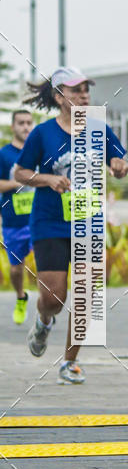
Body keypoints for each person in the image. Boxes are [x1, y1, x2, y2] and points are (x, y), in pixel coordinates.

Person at [15, 67, 128, 383]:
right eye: (76, 90)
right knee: (54, 298)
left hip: (88, 220)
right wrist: (48, 179)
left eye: (86, 90)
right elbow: (20, 173)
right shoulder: (43, 133)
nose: (83, 95)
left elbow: (119, 163)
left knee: (87, 294)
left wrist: (119, 167)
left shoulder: (99, 130)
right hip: (50, 222)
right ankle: (43, 320)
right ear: (58, 96)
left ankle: (69, 362)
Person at [0, 110, 34, 323]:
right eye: (21, 123)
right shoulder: (4, 154)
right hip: (14, 220)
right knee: (16, 268)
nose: (26, 127)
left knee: (47, 264)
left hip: (40, 219)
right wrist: (19, 183)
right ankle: (21, 297)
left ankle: (46, 304)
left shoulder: (38, 152)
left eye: (29, 123)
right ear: (13, 126)